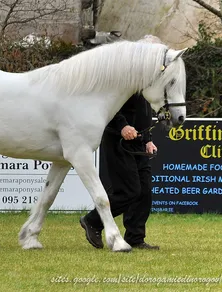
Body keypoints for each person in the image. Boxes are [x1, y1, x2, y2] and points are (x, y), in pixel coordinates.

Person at [80, 36, 162, 250]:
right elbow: (108, 106)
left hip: (139, 141)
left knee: (144, 193)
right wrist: (123, 126)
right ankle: (92, 221)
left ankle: (135, 238)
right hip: (118, 139)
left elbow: (143, 114)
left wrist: (148, 140)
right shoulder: (122, 75)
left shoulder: (148, 79)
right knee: (129, 191)